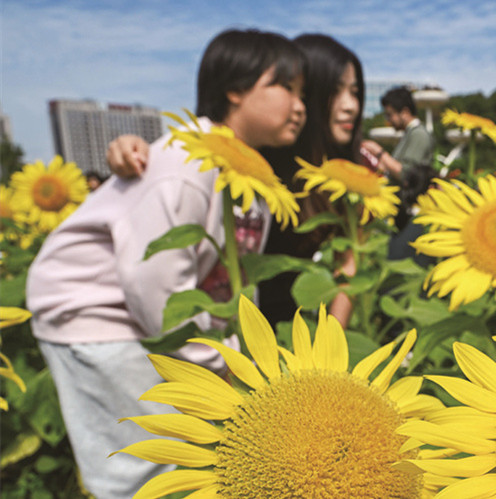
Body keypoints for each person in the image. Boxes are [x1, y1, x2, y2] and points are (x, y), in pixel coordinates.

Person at [26, 29, 306, 498]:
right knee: (139, 465)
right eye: (286, 87)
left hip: (151, 325)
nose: (299, 105)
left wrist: (241, 355)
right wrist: (216, 361)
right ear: (234, 90)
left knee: (178, 457)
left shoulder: (250, 175)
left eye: (303, 93)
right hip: (99, 318)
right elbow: (153, 282)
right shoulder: (185, 160)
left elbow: (228, 285)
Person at [107, 33, 366, 327]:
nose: (351, 106)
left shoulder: (344, 173)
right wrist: (132, 151)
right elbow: (203, 149)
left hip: (271, 321)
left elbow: (349, 263)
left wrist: (329, 345)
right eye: (336, 91)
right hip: (208, 321)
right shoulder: (258, 154)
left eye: (356, 92)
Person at [360, 86, 435, 180]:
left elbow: (406, 174)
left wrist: (379, 152)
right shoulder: (410, 133)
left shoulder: (418, 134)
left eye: (390, 114)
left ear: (405, 112)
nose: (388, 120)